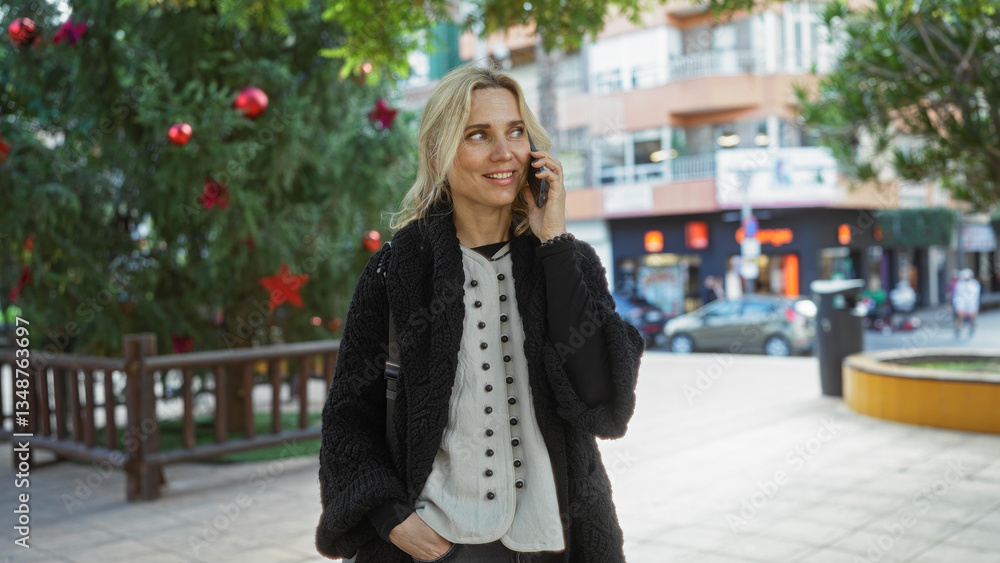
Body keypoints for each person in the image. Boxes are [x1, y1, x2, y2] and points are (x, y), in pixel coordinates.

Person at [315, 64, 645, 563]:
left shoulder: (565, 260)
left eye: (515, 131)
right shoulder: (396, 271)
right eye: (478, 135)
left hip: (556, 543)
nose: (504, 153)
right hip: (438, 545)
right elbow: (347, 418)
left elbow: (603, 399)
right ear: (439, 151)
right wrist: (391, 519)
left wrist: (553, 243)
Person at [953, 268, 981, 338]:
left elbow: (975, 295)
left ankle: (972, 328)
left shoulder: (974, 283)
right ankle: (958, 328)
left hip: (971, 304)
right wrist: (956, 303)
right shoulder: (960, 283)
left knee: (972, 317)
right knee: (960, 316)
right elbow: (957, 294)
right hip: (961, 303)